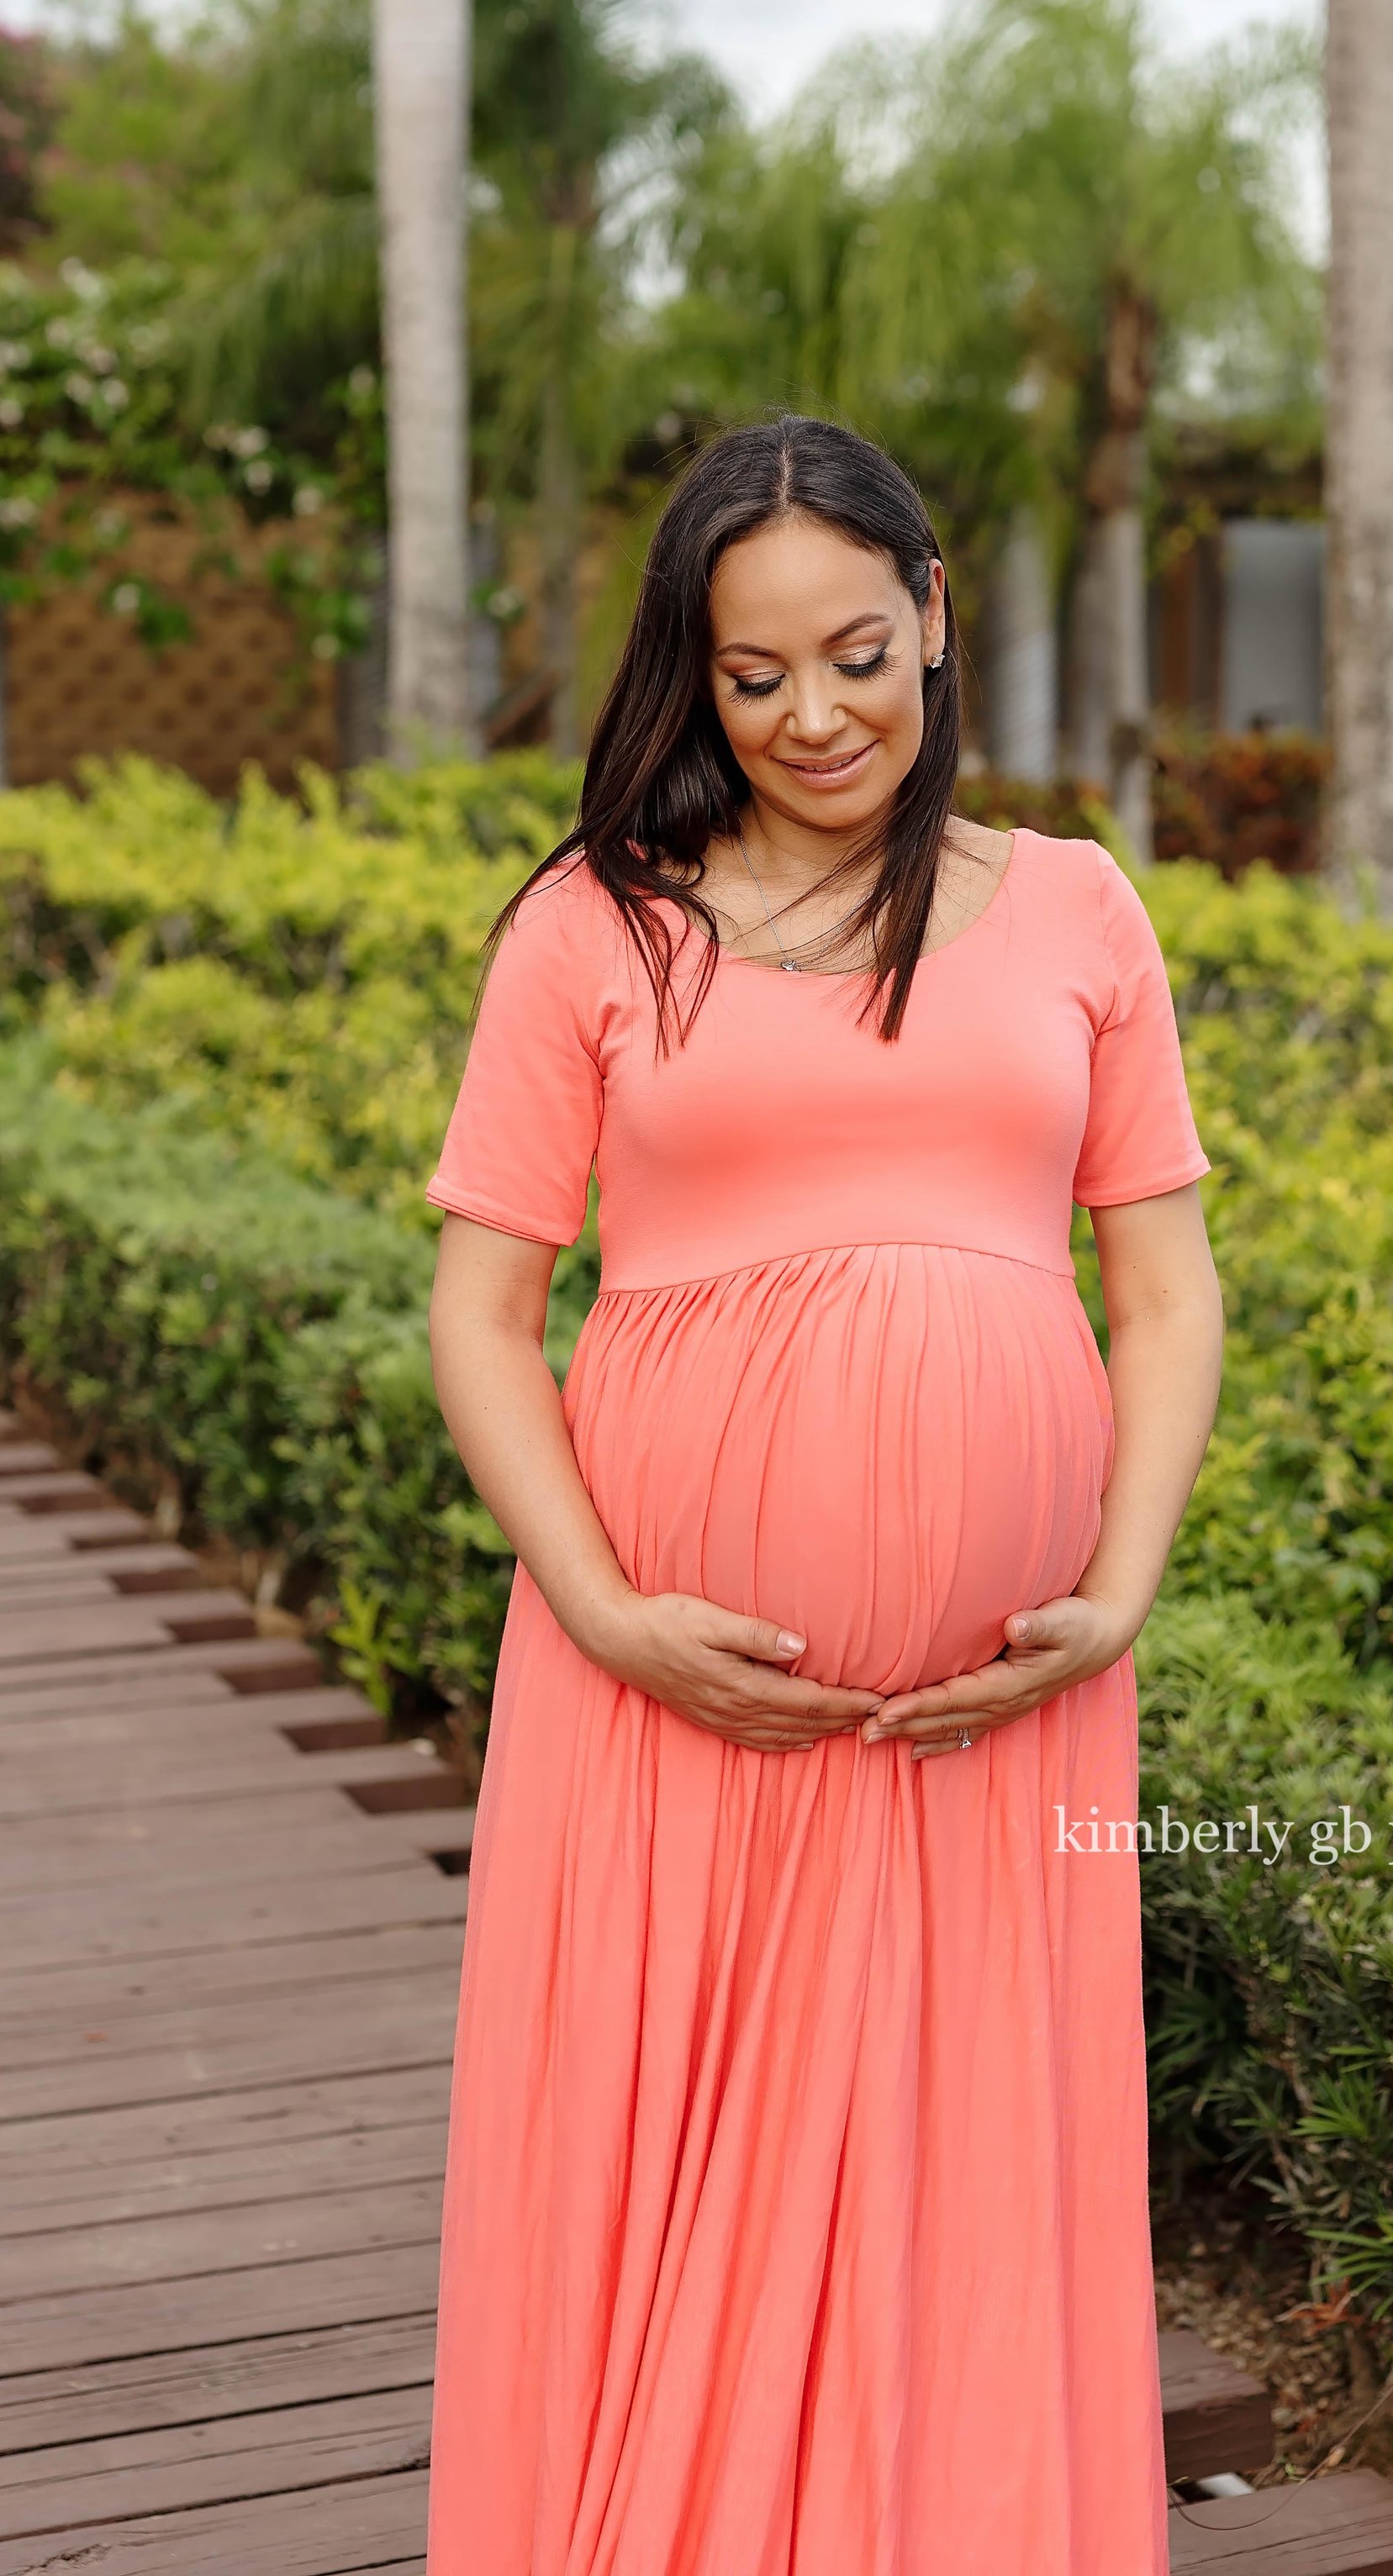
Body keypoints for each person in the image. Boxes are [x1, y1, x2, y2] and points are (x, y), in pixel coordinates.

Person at [422, 415, 1225, 2576]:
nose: (811, 716)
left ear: (936, 612)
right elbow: (483, 1314)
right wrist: (600, 1608)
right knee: (657, 2180)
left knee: (960, 2190)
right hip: (665, 1705)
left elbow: (1161, 1291)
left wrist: (1115, 1587)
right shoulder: (596, 927)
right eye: (751, 673)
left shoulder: (1069, 904)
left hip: (998, 1714)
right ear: (691, 671)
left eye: (855, 653)